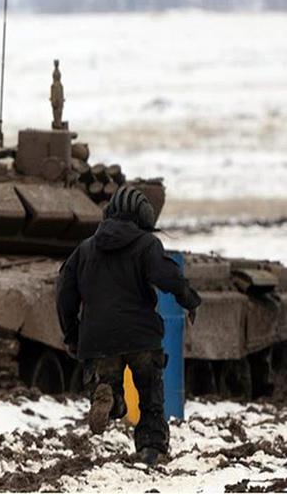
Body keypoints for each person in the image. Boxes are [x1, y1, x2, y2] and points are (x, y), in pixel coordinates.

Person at [55, 186, 202, 466]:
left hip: (98, 339)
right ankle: (151, 449)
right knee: (150, 398)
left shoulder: (85, 249)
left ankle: (112, 401)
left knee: (105, 381)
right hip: (141, 337)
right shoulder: (146, 244)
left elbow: (64, 293)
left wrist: (72, 333)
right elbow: (168, 277)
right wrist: (190, 300)